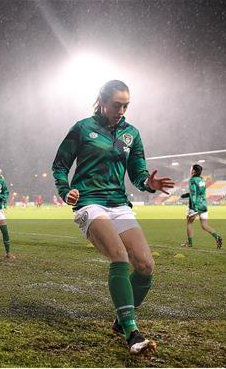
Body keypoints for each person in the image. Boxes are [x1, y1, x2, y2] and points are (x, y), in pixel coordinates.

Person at [52, 80, 175, 354]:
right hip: (89, 203)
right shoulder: (83, 128)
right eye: (117, 105)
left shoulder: (131, 134)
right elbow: (60, 165)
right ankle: (132, 332)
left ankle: (120, 321)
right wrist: (65, 190)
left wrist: (149, 184)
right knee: (119, 256)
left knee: (145, 266)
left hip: (118, 204)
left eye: (126, 105)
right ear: (102, 101)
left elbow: (138, 173)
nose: (122, 110)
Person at [180, 164, 222, 248]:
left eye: (191, 168)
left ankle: (190, 243)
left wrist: (194, 207)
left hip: (195, 205)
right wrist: (185, 195)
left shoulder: (192, 180)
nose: (190, 169)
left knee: (189, 222)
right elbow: (199, 192)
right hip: (203, 204)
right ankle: (217, 237)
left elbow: (194, 193)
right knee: (204, 225)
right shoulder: (202, 180)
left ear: (193, 171)